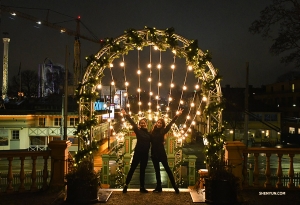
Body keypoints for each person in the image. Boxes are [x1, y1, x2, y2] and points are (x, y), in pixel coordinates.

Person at [151, 108, 183, 194]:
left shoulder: (163, 131)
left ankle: (175, 187)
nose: (159, 124)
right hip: (154, 153)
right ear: (156, 123)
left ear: (162, 125)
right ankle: (158, 187)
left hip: (161, 153)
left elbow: (171, 123)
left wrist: (177, 115)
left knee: (168, 170)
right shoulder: (152, 132)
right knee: (157, 171)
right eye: (158, 122)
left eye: (160, 123)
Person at [121, 109, 151, 193]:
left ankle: (142, 187)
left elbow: (155, 140)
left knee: (142, 171)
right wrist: (126, 115)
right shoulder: (138, 131)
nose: (142, 124)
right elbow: (132, 122)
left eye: (144, 123)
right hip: (138, 153)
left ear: (146, 124)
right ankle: (126, 185)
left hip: (145, 155)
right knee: (132, 169)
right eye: (141, 123)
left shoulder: (149, 134)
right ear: (139, 125)